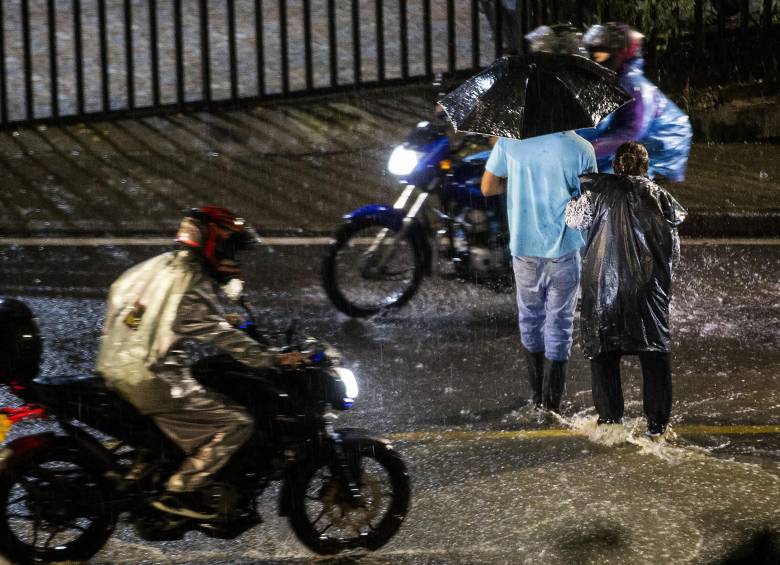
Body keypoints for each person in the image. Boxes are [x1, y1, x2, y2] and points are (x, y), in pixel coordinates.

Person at [96, 206, 305, 520]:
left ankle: (159, 466)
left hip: (114, 368)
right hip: (151, 378)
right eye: (231, 248)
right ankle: (181, 491)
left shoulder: (155, 266)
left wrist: (218, 319)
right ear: (214, 243)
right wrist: (271, 358)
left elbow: (145, 309)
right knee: (236, 423)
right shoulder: (192, 281)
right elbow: (221, 335)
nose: (233, 260)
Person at [564, 141, 686, 438]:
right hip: (647, 292)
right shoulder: (662, 198)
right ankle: (657, 427)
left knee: (604, 354)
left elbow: (572, 220)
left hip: (604, 290)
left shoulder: (597, 193)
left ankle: (610, 423)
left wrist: (571, 197)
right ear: (645, 167)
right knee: (654, 356)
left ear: (615, 165)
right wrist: (662, 286)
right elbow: (674, 252)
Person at [482, 132, 597, 413]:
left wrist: (519, 183)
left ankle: (535, 397)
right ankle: (552, 404)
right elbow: (590, 201)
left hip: (524, 247)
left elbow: (488, 187)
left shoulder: (509, 143)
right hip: (566, 249)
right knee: (560, 325)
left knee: (530, 320)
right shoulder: (582, 148)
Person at [576, 22, 692, 182]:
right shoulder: (614, 80)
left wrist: (585, 150)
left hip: (664, 142)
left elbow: (633, 132)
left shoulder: (634, 85)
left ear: (621, 52)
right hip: (647, 139)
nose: (596, 60)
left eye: (601, 55)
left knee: (623, 181)